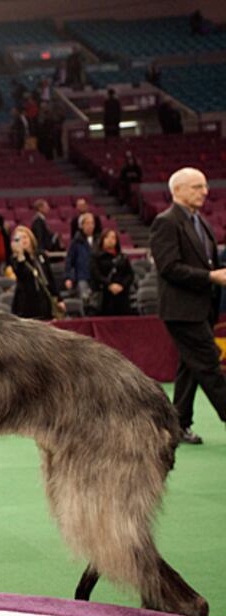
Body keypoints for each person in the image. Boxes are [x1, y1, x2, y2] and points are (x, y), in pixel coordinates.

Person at [149, 167, 226, 445]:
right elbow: (169, 267)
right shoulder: (166, 222)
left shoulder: (200, 221)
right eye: (197, 187)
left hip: (202, 308)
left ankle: (178, 424)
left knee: (191, 366)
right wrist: (211, 277)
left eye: (204, 186)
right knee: (209, 365)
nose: (205, 192)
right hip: (182, 311)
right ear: (177, 190)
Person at [10, 225, 64, 320]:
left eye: (25, 237)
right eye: (19, 239)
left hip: (44, 299)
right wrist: (20, 255)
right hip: (26, 302)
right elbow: (22, 275)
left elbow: (50, 278)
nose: (23, 240)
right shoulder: (16, 260)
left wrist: (59, 298)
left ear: (30, 238)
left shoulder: (41, 255)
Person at [89, 229, 133, 316]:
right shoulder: (95, 257)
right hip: (104, 295)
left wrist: (122, 285)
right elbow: (96, 274)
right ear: (102, 240)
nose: (110, 240)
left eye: (113, 237)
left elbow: (130, 274)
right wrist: (109, 285)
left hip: (122, 295)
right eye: (107, 237)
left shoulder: (122, 257)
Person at [65, 212, 96, 302]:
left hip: (96, 277)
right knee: (85, 299)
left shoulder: (98, 240)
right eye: (87, 223)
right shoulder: (76, 242)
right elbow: (69, 260)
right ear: (82, 226)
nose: (90, 226)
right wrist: (68, 277)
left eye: (92, 223)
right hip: (82, 276)